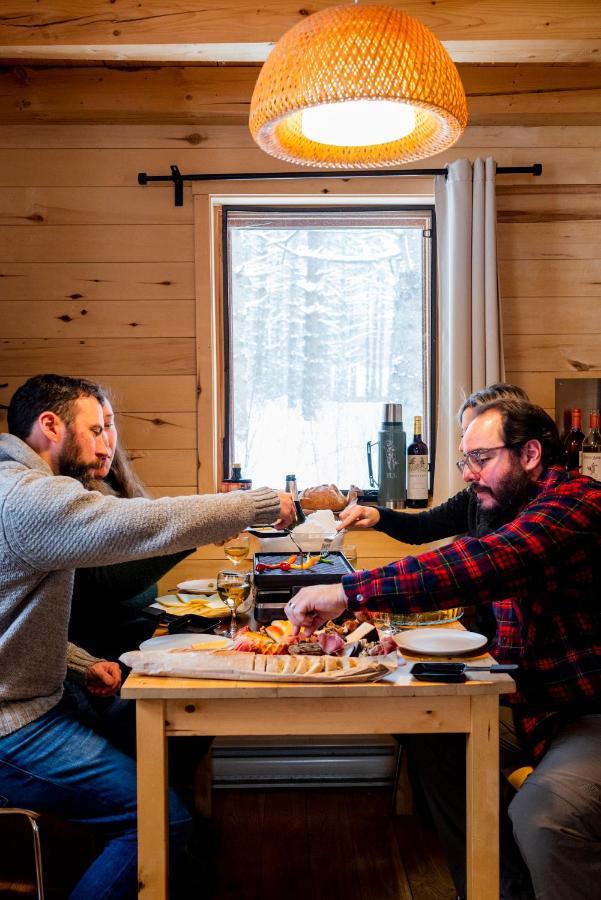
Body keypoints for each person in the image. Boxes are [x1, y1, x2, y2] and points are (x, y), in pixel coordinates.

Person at [287, 399, 601, 900]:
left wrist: (348, 591)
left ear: (531, 453)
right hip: (531, 699)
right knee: (427, 724)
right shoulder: (507, 501)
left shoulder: (575, 503)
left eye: (480, 458)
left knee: (544, 816)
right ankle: (496, 888)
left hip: (584, 710)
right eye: (464, 461)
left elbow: (483, 561)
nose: (470, 474)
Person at [0, 373, 295, 899]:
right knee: (159, 819)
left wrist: (78, 661)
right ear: (50, 426)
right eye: (96, 428)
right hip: (13, 726)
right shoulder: (25, 496)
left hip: (38, 698)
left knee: (170, 730)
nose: (107, 441)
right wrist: (262, 504)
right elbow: (138, 524)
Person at [339, 382, 530, 640]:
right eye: (465, 436)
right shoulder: (477, 496)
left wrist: (355, 591)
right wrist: (379, 516)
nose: (468, 471)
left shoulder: (545, 511)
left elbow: (471, 564)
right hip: (485, 637)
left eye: (481, 453)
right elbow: (422, 527)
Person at [69, 394, 195, 659]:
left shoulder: (117, 485)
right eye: (95, 430)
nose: (104, 443)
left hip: (138, 642)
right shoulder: (69, 499)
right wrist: (196, 531)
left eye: (108, 426)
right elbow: (105, 585)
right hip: (97, 660)